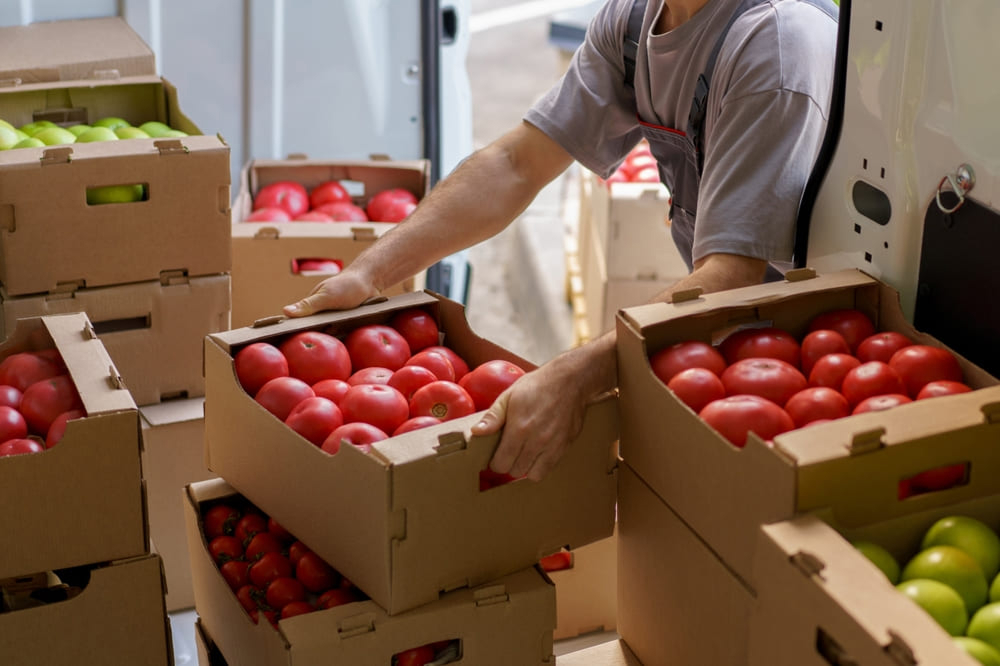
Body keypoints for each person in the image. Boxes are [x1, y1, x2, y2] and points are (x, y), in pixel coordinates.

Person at [283, 0, 839, 481]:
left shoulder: (774, 45)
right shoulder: (635, 21)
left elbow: (731, 277)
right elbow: (517, 163)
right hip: (714, 338)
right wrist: (369, 273)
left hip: (811, 358)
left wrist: (574, 374)